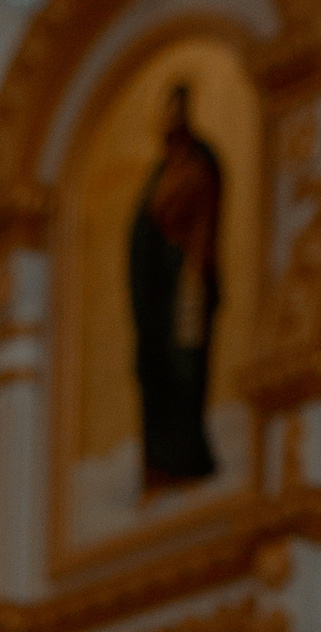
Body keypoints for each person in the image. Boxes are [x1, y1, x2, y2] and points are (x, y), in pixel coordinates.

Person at [130, 81, 225, 487]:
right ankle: (159, 462)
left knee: (185, 368)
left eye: (176, 109)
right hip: (157, 291)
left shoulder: (201, 162)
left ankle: (187, 457)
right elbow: (141, 231)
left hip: (187, 282)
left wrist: (191, 260)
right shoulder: (158, 173)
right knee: (154, 368)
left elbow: (206, 217)